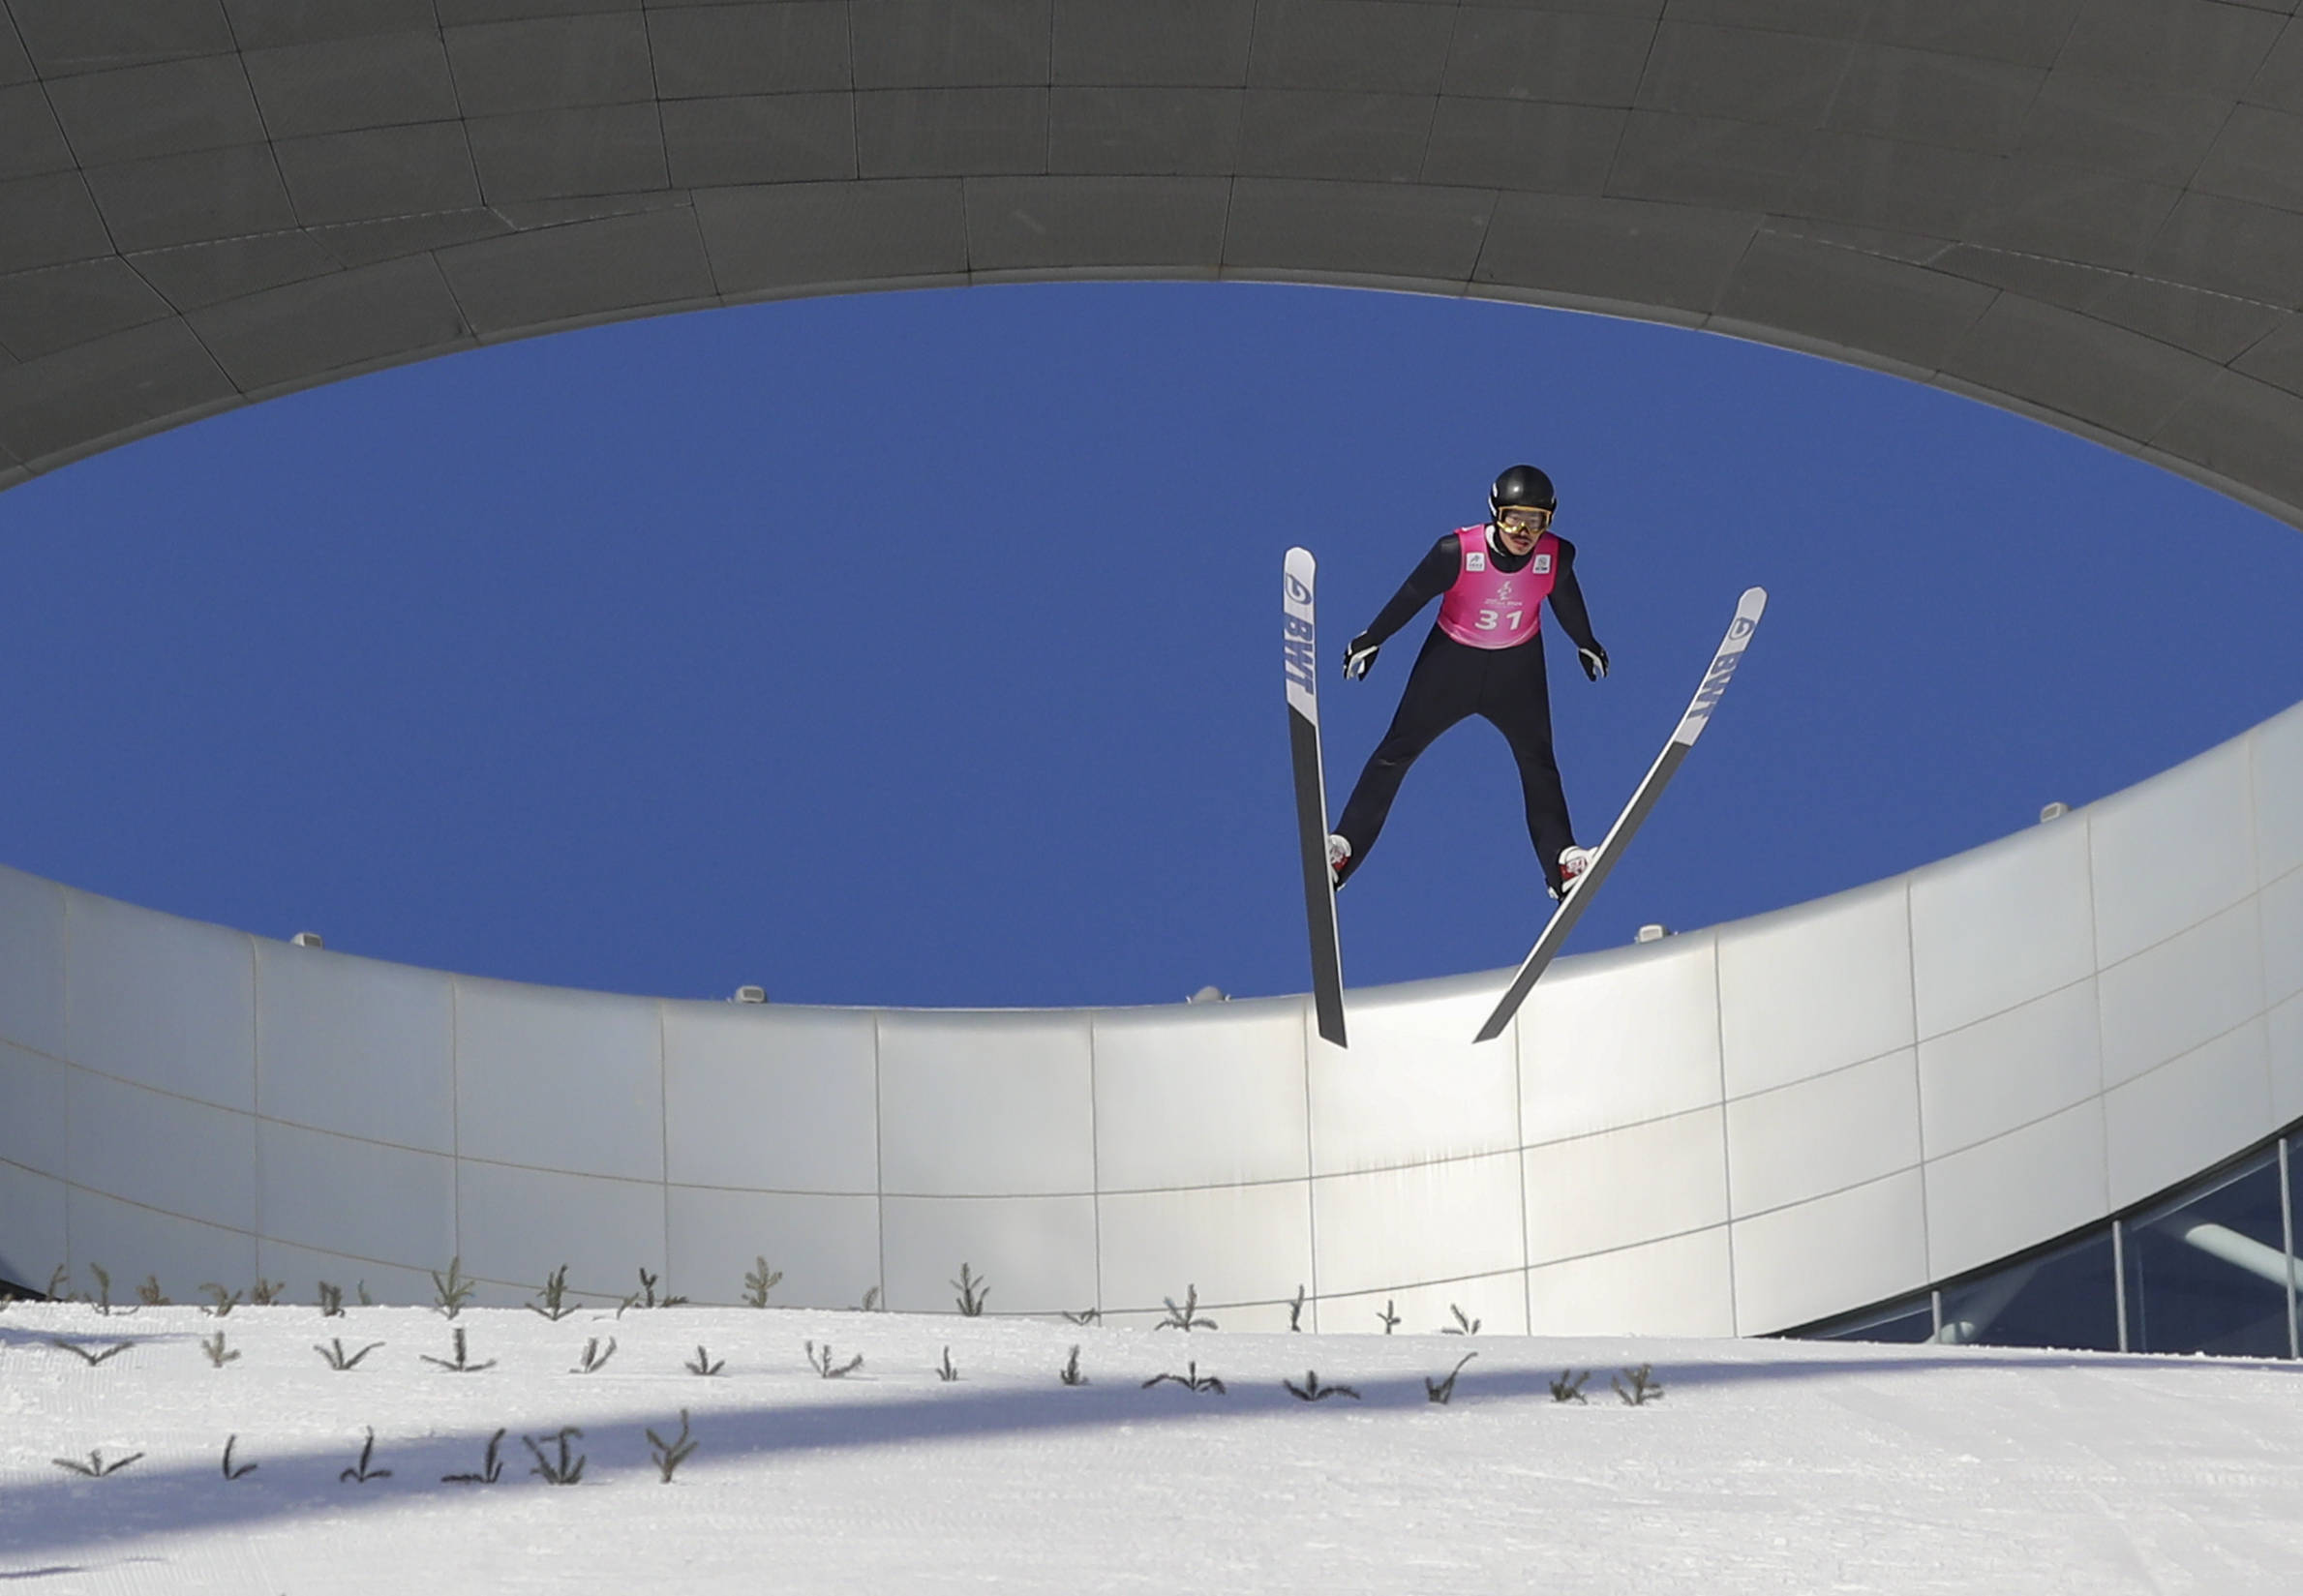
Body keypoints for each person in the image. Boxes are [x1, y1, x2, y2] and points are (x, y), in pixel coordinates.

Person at [1327, 464, 1608, 900]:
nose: (1523, 530)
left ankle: (1561, 863)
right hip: (1451, 664)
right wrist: (1372, 638)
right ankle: (1343, 851)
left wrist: (1585, 642)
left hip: (1517, 670)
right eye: (1515, 516)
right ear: (1496, 512)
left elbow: (1565, 598)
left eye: (1537, 520)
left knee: (1538, 762)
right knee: (1395, 753)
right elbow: (1412, 595)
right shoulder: (1455, 552)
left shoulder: (1556, 555)